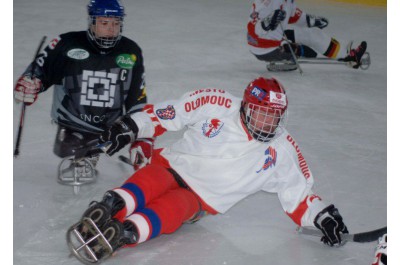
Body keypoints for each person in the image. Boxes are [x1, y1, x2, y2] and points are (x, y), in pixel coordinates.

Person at [67, 77, 349, 263]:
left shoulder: (283, 149)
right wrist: (131, 126)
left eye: (274, 116)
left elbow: (298, 195)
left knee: (173, 208)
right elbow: (169, 114)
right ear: (247, 107)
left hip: (200, 200)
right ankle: (111, 204)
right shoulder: (217, 103)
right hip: (172, 166)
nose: (267, 123)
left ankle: (126, 233)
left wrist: (322, 216)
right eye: (262, 114)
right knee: (152, 179)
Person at [13, 0, 148, 167]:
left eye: (116, 23)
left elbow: (137, 98)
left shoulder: (131, 50)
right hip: (72, 124)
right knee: (67, 148)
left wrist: (142, 137)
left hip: (111, 128)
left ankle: (95, 146)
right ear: (91, 22)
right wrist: (30, 84)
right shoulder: (65, 43)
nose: (111, 29)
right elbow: (40, 71)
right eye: (104, 23)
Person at [247, 0, 367, 69]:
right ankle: (347, 57)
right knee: (311, 37)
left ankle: (346, 55)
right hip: (265, 47)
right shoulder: (265, 1)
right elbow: (252, 27)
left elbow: (292, 15)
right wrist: (266, 23)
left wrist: (311, 21)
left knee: (312, 33)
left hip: (272, 40)